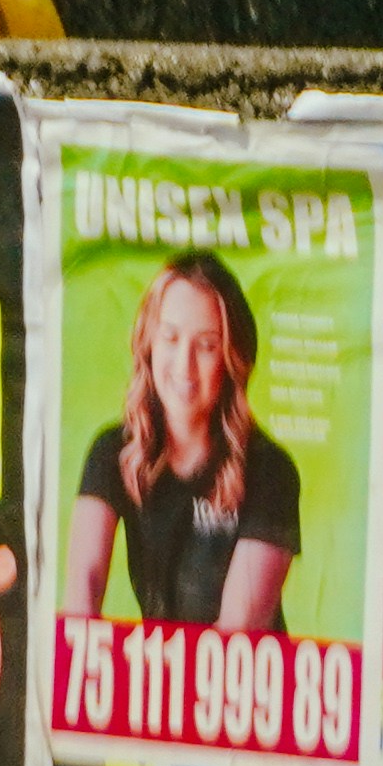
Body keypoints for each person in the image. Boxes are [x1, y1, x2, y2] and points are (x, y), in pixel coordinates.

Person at [63, 247, 297, 632]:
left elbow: (238, 628)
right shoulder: (112, 451)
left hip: (234, 668)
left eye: (206, 345)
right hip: (156, 665)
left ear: (231, 357)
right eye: (170, 338)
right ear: (149, 343)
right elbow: (82, 589)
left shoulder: (270, 470)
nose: (183, 365)